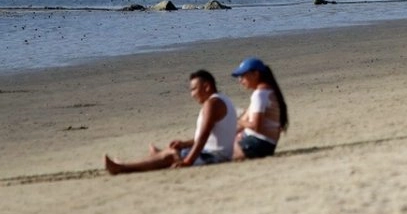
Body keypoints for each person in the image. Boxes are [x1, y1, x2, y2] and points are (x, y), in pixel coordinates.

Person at [103, 70, 237, 174]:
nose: (192, 94)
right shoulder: (222, 99)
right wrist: (184, 144)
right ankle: (156, 156)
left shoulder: (212, 104)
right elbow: (211, 136)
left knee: (171, 155)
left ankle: (122, 167)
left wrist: (188, 162)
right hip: (216, 153)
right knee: (173, 150)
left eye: (194, 89)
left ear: (207, 86)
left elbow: (203, 136)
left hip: (214, 157)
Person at [231, 57, 289, 160]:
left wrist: (236, 120)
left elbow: (256, 126)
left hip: (256, 144)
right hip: (267, 145)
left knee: (217, 153)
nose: (240, 80)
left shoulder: (260, 95)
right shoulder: (269, 91)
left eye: (243, 76)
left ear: (256, 74)